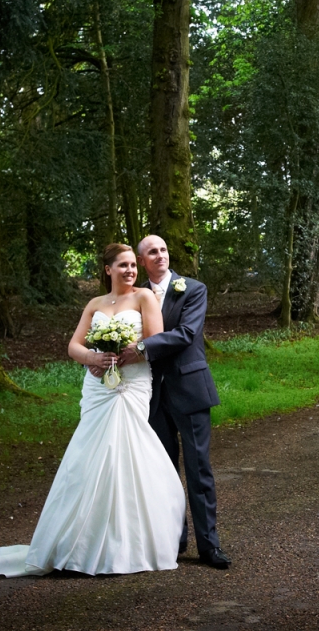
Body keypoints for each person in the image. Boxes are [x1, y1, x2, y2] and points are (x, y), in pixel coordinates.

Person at [0, 243, 185, 576]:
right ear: (108, 269)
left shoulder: (144, 297)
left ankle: (128, 543)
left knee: (124, 451)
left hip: (131, 383)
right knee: (88, 454)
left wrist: (129, 351)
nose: (130, 271)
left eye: (133, 265)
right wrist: (93, 357)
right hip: (98, 386)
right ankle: (79, 540)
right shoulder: (95, 304)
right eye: (123, 265)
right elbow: (73, 346)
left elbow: (155, 341)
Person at [119, 235, 230, 569]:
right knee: (163, 471)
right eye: (152, 252)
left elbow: (186, 333)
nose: (160, 255)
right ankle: (172, 541)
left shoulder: (193, 289)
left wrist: (141, 348)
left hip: (190, 388)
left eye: (164, 250)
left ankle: (209, 546)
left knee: (198, 469)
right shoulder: (134, 295)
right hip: (151, 394)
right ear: (141, 261)